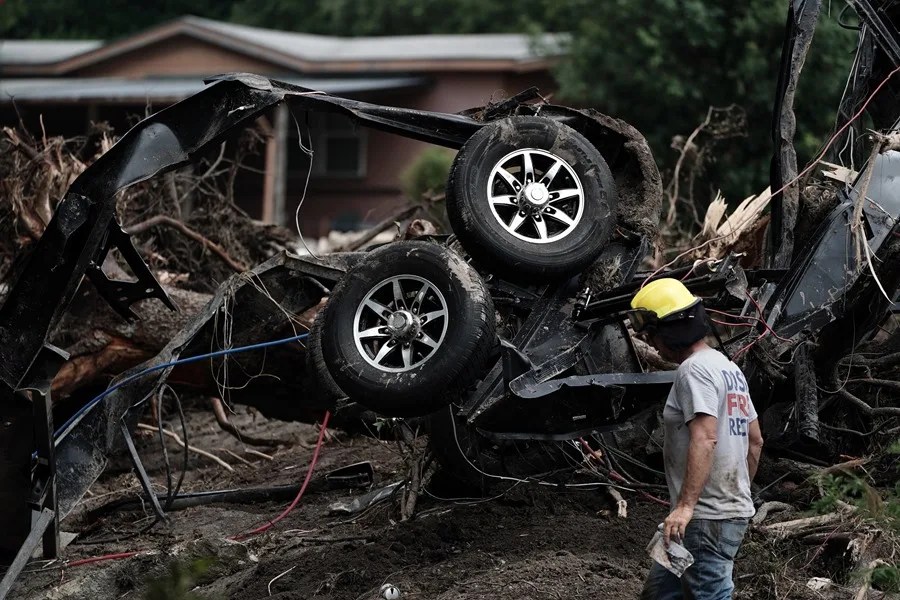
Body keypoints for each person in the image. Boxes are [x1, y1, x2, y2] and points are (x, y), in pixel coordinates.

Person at [628, 278, 764, 600]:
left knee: (709, 594)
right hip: (718, 515)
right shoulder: (728, 368)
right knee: (660, 595)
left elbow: (704, 438)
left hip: (704, 520)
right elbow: (755, 440)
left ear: (669, 331)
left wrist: (686, 507)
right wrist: (735, 497)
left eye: (652, 335)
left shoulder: (693, 370)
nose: (652, 345)